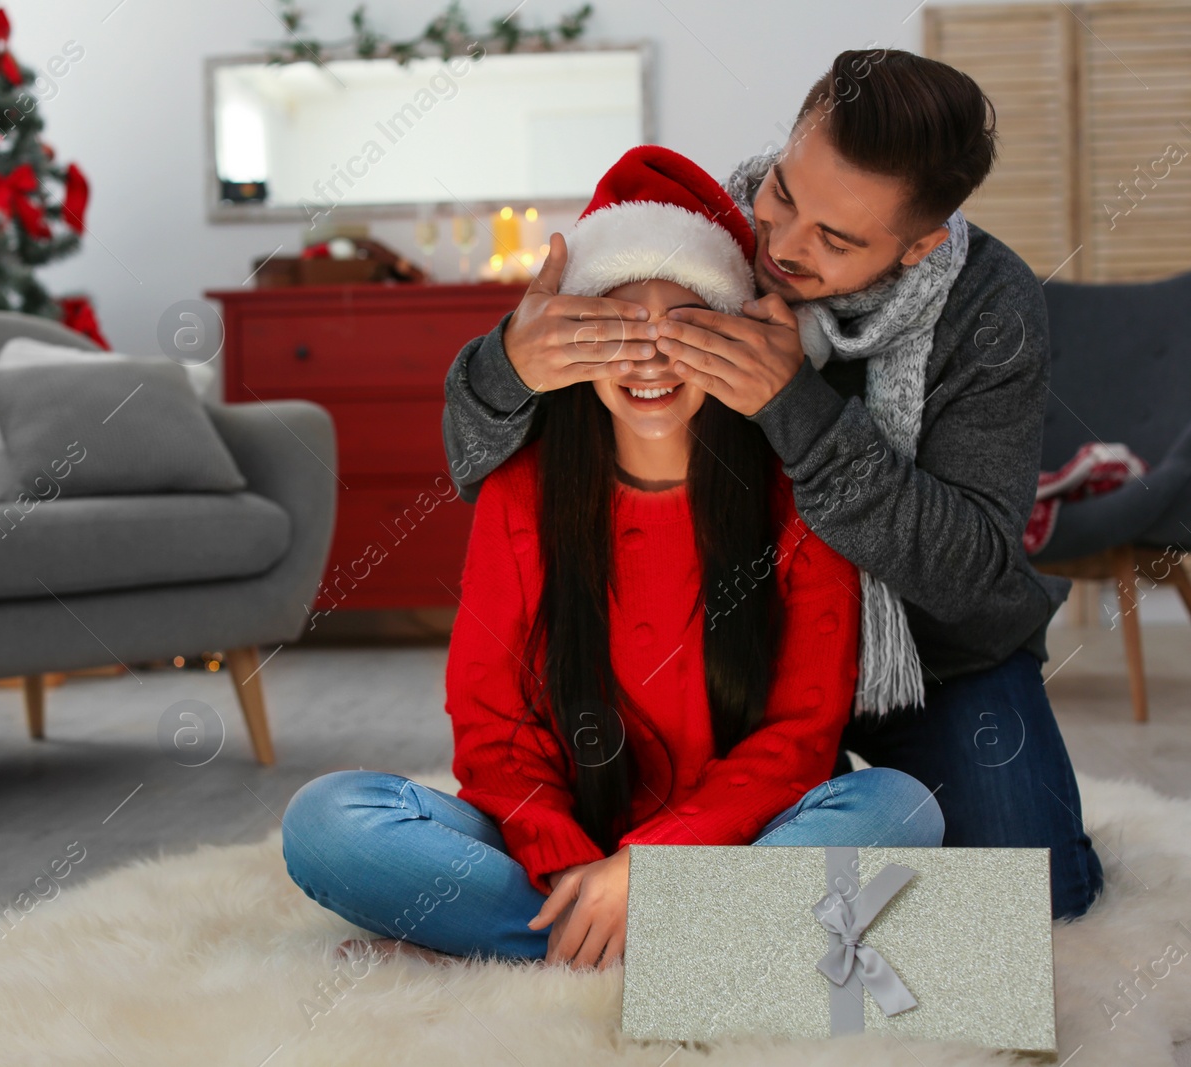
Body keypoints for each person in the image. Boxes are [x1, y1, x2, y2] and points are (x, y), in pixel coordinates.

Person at [439, 48, 1104, 923]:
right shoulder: (703, 233)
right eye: (786, 193)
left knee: (1042, 902)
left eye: (837, 239)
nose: (782, 247)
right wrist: (506, 366)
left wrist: (800, 411)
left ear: (919, 244)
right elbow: (481, 456)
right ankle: (643, 921)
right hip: (737, 656)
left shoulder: (991, 309)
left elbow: (971, 571)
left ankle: (669, 928)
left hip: (932, 658)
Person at [281, 147, 944, 972]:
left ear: (735, 342)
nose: (649, 356)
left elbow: (798, 738)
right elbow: (493, 726)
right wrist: (570, 863)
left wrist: (653, 866)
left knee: (898, 805)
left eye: (689, 328)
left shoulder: (797, 496)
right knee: (328, 820)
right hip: (558, 840)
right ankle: (692, 948)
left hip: (731, 839)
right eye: (617, 328)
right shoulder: (523, 489)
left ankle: (553, 948)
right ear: (573, 345)